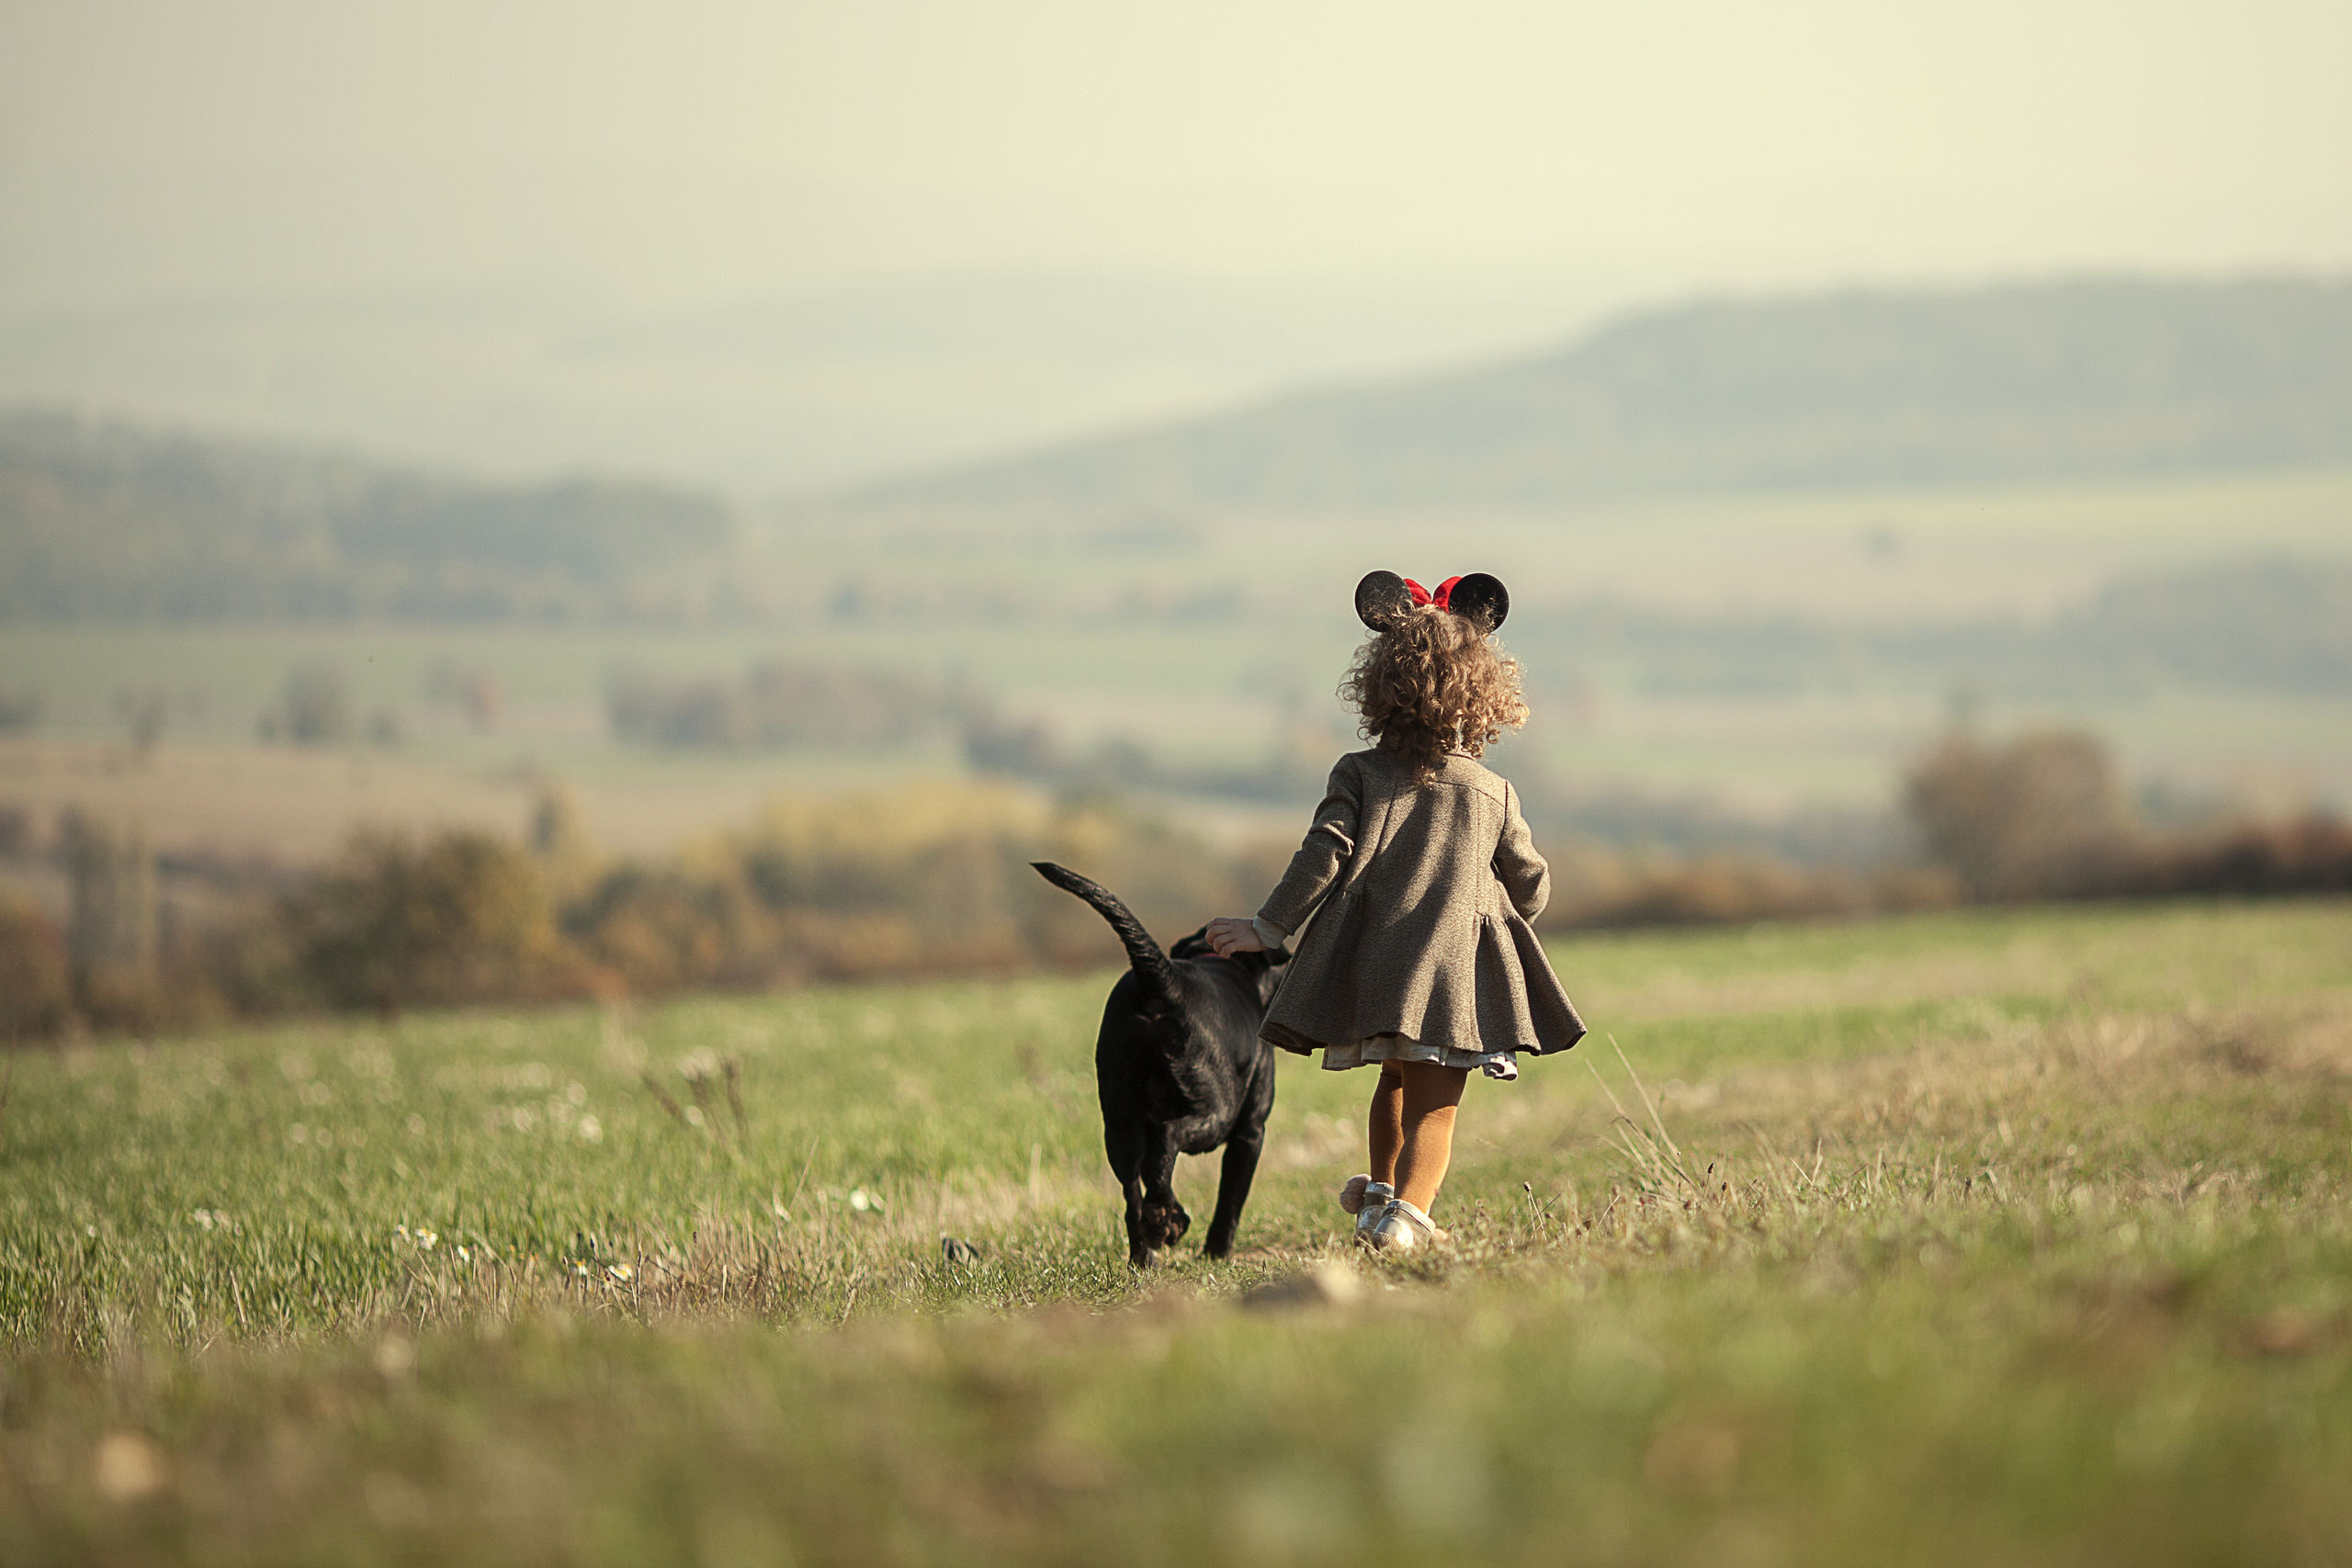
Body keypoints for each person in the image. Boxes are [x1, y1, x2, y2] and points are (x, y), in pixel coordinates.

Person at [1205, 570, 1586, 1253]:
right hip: (1449, 979)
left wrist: (1268, 926)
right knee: (1437, 1107)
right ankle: (1406, 1221)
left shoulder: (1358, 772)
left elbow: (1322, 852)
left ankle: (1379, 1195)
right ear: (1484, 694)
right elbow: (1531, 886)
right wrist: (1516, 894)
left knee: (1393, 1083)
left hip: (1376, 968)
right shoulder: (1494, 792)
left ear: (1382, 686)